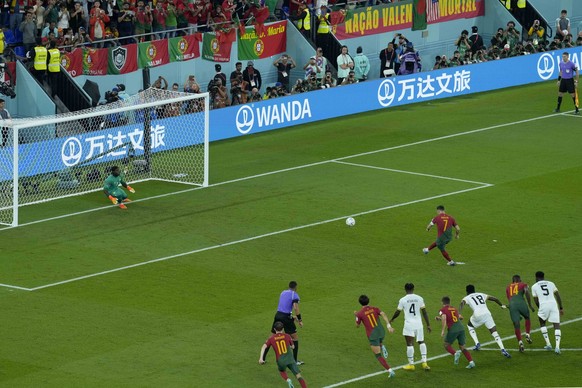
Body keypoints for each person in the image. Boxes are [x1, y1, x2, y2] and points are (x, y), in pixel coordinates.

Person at [459, 284, 511, 358]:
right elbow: (495, 299)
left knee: (469, 325)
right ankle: (503, 349)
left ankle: (477, 344)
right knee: (494, 332)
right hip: (487, 314)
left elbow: (462, 303)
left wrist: (459, 313)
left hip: (477, 315)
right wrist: (501, 305)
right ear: (474, 290)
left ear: (467, 291)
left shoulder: (467, 297)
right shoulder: (481, 294)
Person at [389, 283, 432, 371]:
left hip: (409, 325)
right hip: (419, 324)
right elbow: (424, 312)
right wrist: (428, 324)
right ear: (413, 289)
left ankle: (411, 364)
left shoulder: (403, 300)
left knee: (409, 344)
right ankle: (424, 363)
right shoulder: (419, 298)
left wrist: (392, 319)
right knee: (421, 342)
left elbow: (398, 312)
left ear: (405, 289)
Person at [354, 295, 395, 379]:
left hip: (373, 336)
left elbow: (357, 326)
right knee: (379, 340)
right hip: (381, 332)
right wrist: (389, 326)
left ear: (360, 302)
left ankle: (390, 370)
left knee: (378, 355)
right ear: (368, 301)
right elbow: (383, 314)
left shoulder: (360, 313)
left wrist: (356, 316)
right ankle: (381, 345)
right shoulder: (375, 308)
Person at [259, 321, 308, 388]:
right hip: (290, 359)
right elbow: (293, 347)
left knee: (282, 371)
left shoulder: (271, 338)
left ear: (274, 329)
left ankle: (287, 379)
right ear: (282, 329)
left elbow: (264, 347)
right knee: (298, 375)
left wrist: (261, 358)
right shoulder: (287, 336)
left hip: (280, 360)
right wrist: (289, 346)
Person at [266, 281, 303, 365]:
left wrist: (292, 317)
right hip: (286, 317)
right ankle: (294, 360)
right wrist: (300, 320)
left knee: (271, 337)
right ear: (296, 287)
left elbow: (284, 307)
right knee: (294, 338)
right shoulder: (294, 294)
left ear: (288, 286)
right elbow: (295, 308)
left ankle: (263, 358)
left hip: (278, 315)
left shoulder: (283, 292)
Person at [436, 296, 475, 369]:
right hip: (461, 328)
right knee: (462, 347)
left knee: (446, 345)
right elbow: (461, 317)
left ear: (442, 302)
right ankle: (471, 362)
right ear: (449, 302)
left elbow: (444, 318)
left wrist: (443, 330)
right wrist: (440, 318)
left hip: (453, 329)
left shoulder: (442, 310)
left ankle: (455, 353)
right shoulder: (454, 308)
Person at [531, 271, 563, 354]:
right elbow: (558, 295)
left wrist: (540, 308)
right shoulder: (551, 283)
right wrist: (561, 307)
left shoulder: (534, 286)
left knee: (542, 323)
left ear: (536, 277)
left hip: (543, 305)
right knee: (556, 325)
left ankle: (548, 344)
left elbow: (536, 300)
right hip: (553, 305)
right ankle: (557, 347)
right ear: (543, 277)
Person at [505, 275, 535, 352]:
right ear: (519, 279)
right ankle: (527, 334)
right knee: (527, 317)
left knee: (516, 324)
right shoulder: (523, 284)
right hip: (521, 303)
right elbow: (527, 292)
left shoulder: (508, 287)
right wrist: (530, 305)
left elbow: (509, 299)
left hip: (512, 305)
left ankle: (520, 342)